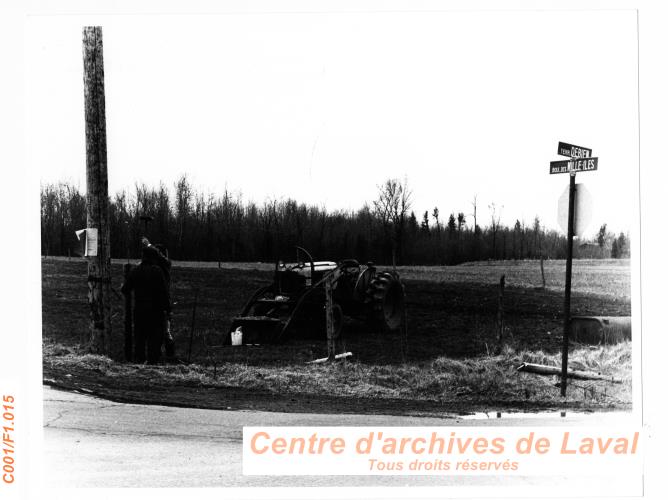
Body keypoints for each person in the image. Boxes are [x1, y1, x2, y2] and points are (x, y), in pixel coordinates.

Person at [121, 245, 170, 364]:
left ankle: (139, 361)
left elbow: (125, 289)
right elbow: (164, 292)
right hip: (155, 311)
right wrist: (168, 309)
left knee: (140, 338)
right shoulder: (157, 271)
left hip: (139, 310)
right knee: (154, 338)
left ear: (143, 257)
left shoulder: (135, 271)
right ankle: (152, 363)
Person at [142, 237, 175, 360]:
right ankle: (162, 353)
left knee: (164, 330)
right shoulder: (160, 266)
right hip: (160, 301)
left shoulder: (165, 264)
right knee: (161, 330)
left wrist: (149, 245)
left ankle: (166, 352)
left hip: (162, 302)